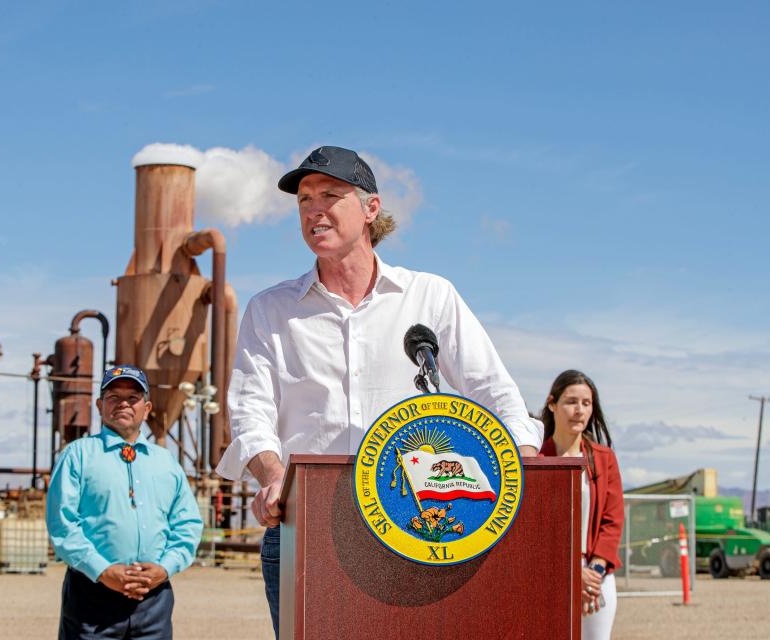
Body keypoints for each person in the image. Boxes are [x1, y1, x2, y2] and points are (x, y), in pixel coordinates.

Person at [214, 145, 543, 637]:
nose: (313, 210)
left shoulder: (430, 296)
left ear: (371, 209)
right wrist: (273, 476)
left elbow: (498, 393)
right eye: (304, 200)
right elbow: (249, 410)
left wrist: (522, 468)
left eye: (330, 195)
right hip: (306, 527)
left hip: (414, 528)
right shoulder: (270, 310)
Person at [46, 365, 203, 640]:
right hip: (92, 596)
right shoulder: (78, 456)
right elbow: (63, 524)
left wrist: (165, 568)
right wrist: (103, 571)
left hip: (154, 598)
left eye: (133, 398)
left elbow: (187, 523)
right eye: (113, 397)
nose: (123, 404)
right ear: (99, 405)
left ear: (147, 407)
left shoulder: (166, 462)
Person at [539, 369, 623, 639]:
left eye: (586, 403)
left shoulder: (603, 458)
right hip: (547, 573)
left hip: (596, 577)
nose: (579, 410)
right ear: (552, 404)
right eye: (571, 401)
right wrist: (571, 572)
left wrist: (592, 575)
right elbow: (532, 528)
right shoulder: (536, 460)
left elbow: (613, 521)